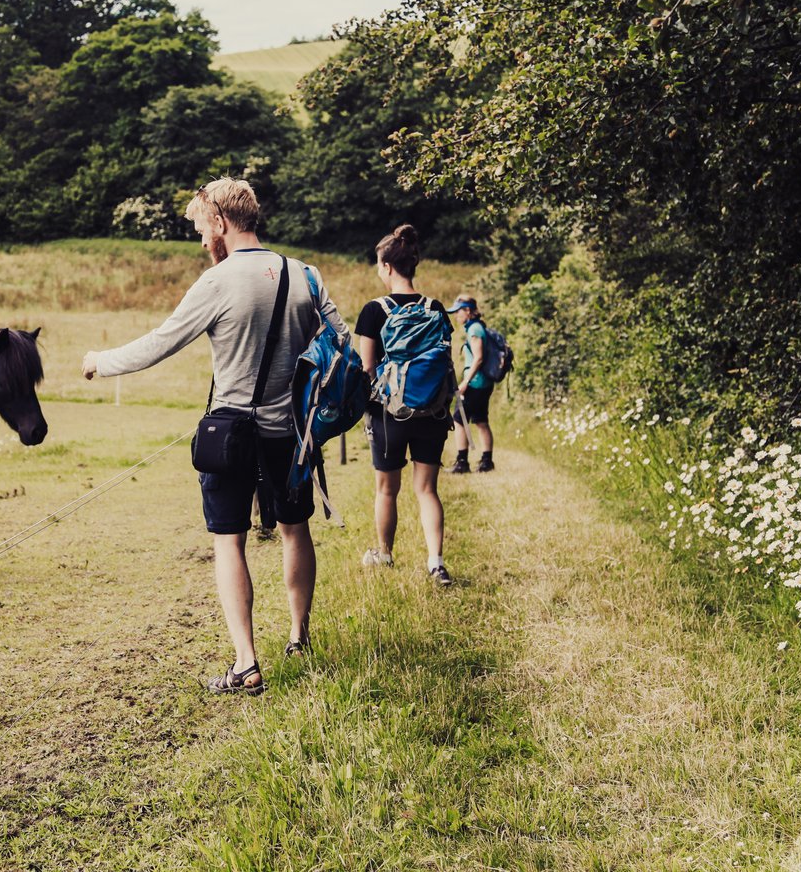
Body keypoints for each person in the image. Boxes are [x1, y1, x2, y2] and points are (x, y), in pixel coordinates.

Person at [81, 177, 349, 696]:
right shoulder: (306, 275)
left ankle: (246, 663)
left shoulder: (219, 281)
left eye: (204, 229)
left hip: (231, 432)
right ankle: (299, 637)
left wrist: (100, 362)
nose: (203, 241)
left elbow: (160, 343)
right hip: (291, 434)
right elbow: (338, 341)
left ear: (222, 222)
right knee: (296, 529)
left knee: (229, 542)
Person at [353, 225, 454, 587]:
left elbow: (366, 368)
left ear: (388, 266)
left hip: (388, 413)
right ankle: (436, 562)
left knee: (386, 489)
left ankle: (385, 554)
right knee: (427, 489)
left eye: (379, 265)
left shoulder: (373, 311)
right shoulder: (436, 308)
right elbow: (445, 361)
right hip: (432, 410)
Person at [449, 295, 496, 474]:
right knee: (481, 420)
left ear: (468, 311)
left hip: (476, 383)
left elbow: (479, 357)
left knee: (459, 420)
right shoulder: (478, 326)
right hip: (484, 382)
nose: (456, 316)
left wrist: (466, 382)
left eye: (458, 311)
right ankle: (487, 461)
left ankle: (462, 462)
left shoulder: (474, 329)